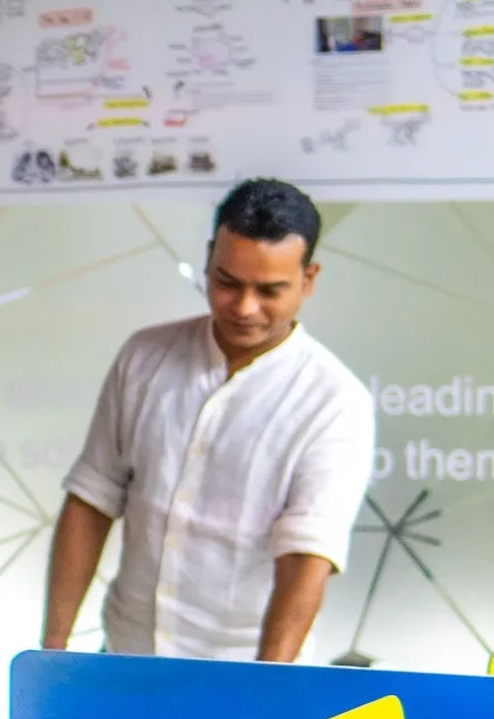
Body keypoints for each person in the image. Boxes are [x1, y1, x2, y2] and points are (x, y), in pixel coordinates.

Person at [42, 178, 375, 662]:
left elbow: (306, 560)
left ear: (308, 279)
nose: (244, 307)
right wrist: (53, 650)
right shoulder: (144, 356)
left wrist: (263, 689)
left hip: (242, 670)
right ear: (207, 259)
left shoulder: (335, 401)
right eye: (228, 282)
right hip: (126, 654)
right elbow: (91, 500)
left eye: (269, 290)